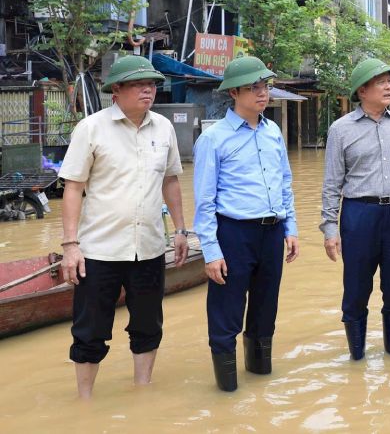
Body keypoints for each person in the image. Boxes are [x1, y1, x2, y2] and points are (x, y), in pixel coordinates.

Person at [59, 55, 188, 399]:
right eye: (137, 84)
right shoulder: (91, 128)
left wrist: (180, 230)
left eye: (152, 84)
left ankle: (142, 391)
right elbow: (72, 187)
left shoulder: (163, 128)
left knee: (148, 325)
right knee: (90, 330)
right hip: (98, 250)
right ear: (116, 89)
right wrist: (70, 246)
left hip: (147, 247)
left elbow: (171, 181)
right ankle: (84, 400)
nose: (148, 90)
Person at [193, 56, 299, 392]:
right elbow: (204, 201)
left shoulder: (272, 132)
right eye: (254, 87)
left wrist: (290, 227)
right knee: (226, 312)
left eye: (265, 86)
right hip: (233, 233)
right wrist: (211, 251)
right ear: (234, 92)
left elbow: (284, 182)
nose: (262, 93)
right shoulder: (214, 139)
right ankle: (227, 390)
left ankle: (260, 381)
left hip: (271, 232)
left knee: (265, 309)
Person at [321, 58, 390, 360]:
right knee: (356, 291)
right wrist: (330, 230)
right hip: (358, 215)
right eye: (381, 82)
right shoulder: (341, 130)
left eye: (389, 81)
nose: (388, 86)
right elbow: (331, 185)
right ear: (363, 90)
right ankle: (357, 359)